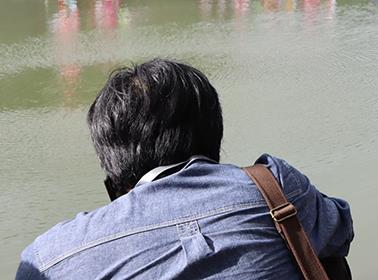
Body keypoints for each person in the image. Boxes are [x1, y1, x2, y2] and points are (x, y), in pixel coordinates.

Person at [16, 59, 353, 279]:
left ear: (112, 185)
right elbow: (339, 231)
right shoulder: (275, 188)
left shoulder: (50, 260)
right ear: (215, 137)